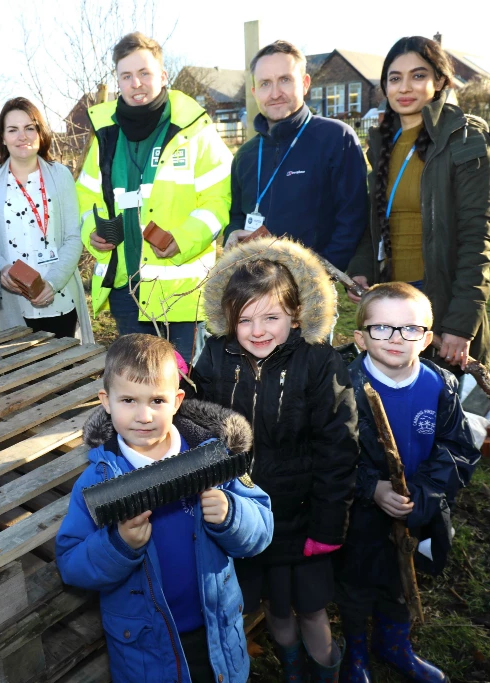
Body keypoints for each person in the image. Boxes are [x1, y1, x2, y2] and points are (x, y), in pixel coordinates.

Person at [56, 333, 273, 683]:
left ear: (177, 400)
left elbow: (261, 530)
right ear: (106, 401)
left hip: (215, 633)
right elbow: (72, 565)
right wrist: (118, 545)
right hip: (146, 651)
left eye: (157, 400)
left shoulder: (211, 458)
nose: (143, 415)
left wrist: (231, 514)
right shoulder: (98, 481)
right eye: (128, 399)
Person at [189, 237, 359, 681]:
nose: (258, 330)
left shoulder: (318, 362)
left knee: (312, 613)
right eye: (245, 319)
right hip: (247, 516)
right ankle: (292, 670)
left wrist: (327, 525)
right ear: (228, 320)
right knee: (275, 609)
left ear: (296, 314)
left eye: (272, 317)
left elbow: (339, 447)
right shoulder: (215, 356)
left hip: (304, 518)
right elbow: (196, 416)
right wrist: (175, 384)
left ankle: (325, 670)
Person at [347, 36, 490, 371]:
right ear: (384, 86)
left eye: (418, 75)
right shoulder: (383, 141)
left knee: (443, 407)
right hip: (391, 299)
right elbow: (376, 224)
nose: (404, 87)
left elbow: (477, 239)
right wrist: (362, 269)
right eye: (394, 78)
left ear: (439, 81)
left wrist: (460, 323)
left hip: (438, 298)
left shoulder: (466, 140)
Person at [336, 282, 479, 682]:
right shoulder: (344, 388)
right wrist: (372, 488)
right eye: (382, 328)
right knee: (356, 580)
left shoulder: (440, 386)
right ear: (361, 338)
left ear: (428, 338)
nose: (396, 339)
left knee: (403, 574)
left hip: (419, 508)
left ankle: (395, 644)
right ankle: (356, 653)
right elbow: (330, 457)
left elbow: (458, 449)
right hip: (359, 513)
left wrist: (425, 493)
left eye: (409, 329)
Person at [76, 32, 233, 365]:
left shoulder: (195, 130)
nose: (137, 83)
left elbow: (218, 200)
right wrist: (92, 232)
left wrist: (183, 239)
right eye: (127, 76)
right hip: (124, 287)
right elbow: (85, 197)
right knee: (137, 380)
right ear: (118, 81)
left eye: (145, 73)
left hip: (180, 290)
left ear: (163, 75)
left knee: (183, 383)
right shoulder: (104, 134)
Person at [225, 40, 367, 273]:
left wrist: (317, 274)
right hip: (256, 285)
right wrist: (233, 233)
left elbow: (352, 218)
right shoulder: (245, 155)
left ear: (305, 83)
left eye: (285, 80)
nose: (275, 93)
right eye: (265, 84)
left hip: (312, 287)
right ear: (254, 92)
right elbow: (237, 216)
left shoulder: (336, 138)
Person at [0, 97, 94, 342]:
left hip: (59, 297)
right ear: (2, 137)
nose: (22, 136)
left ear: (40, 132)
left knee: (64, 372)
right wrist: (1, 269)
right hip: (12, 302)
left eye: (29, 128)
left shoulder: (61, 176)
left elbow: (73, 236)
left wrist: (53, 283)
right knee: (20, 375)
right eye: (13, 130)